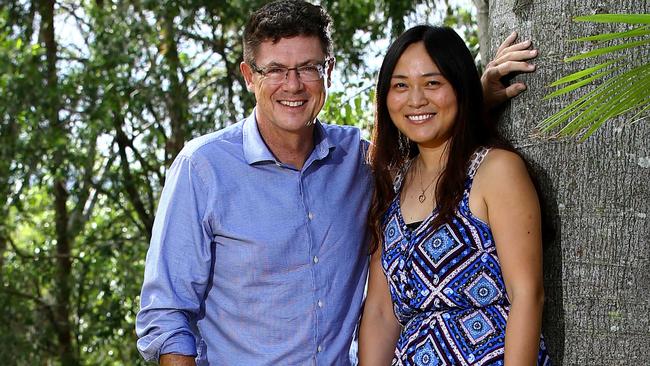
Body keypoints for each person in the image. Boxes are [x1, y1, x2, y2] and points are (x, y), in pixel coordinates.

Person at [135, 1, 538, 365]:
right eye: (275, 69)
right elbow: (166, 313)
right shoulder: (202, 168)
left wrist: (474, 95)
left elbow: (426, 137)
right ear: (248, 76)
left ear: (328, 71)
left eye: (308, 68)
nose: (292, 85)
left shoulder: (361, 162)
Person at [358, 25, 551, 365]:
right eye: (400, 85)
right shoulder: (391, 183)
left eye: (433, 83)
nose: (416, 99)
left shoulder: (496, 171)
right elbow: (380, 313)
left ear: (461, 87)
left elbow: (527, 296)